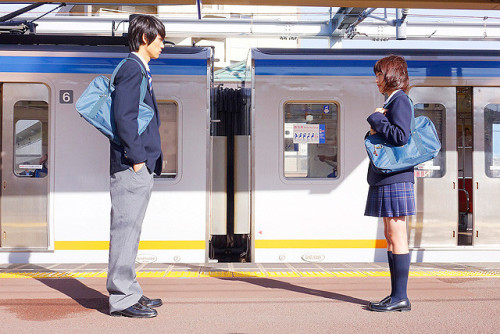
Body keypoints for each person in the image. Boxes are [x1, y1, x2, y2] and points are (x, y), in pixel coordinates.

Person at [107, 14, 165, 318]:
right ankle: (121, 299)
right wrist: (138, 159)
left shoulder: (139, 69)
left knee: (132, 232)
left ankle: (131, 291)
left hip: (137, 166)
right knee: (125, 231)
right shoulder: (132, 69)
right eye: (160, 39)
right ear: (145, 38)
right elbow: (125, 118)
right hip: (132, 166)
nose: (163, 46)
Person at [365, 55, 414, 312]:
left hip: (396, 177)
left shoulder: (401, 100)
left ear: (391, 74)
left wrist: (377, 119)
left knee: (397, 234)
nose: (376, 80)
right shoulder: (392, 100)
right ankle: (395, 294)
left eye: (379, 75)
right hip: (389, 177)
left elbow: (401, 136)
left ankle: (401, 297)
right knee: (389, 235)